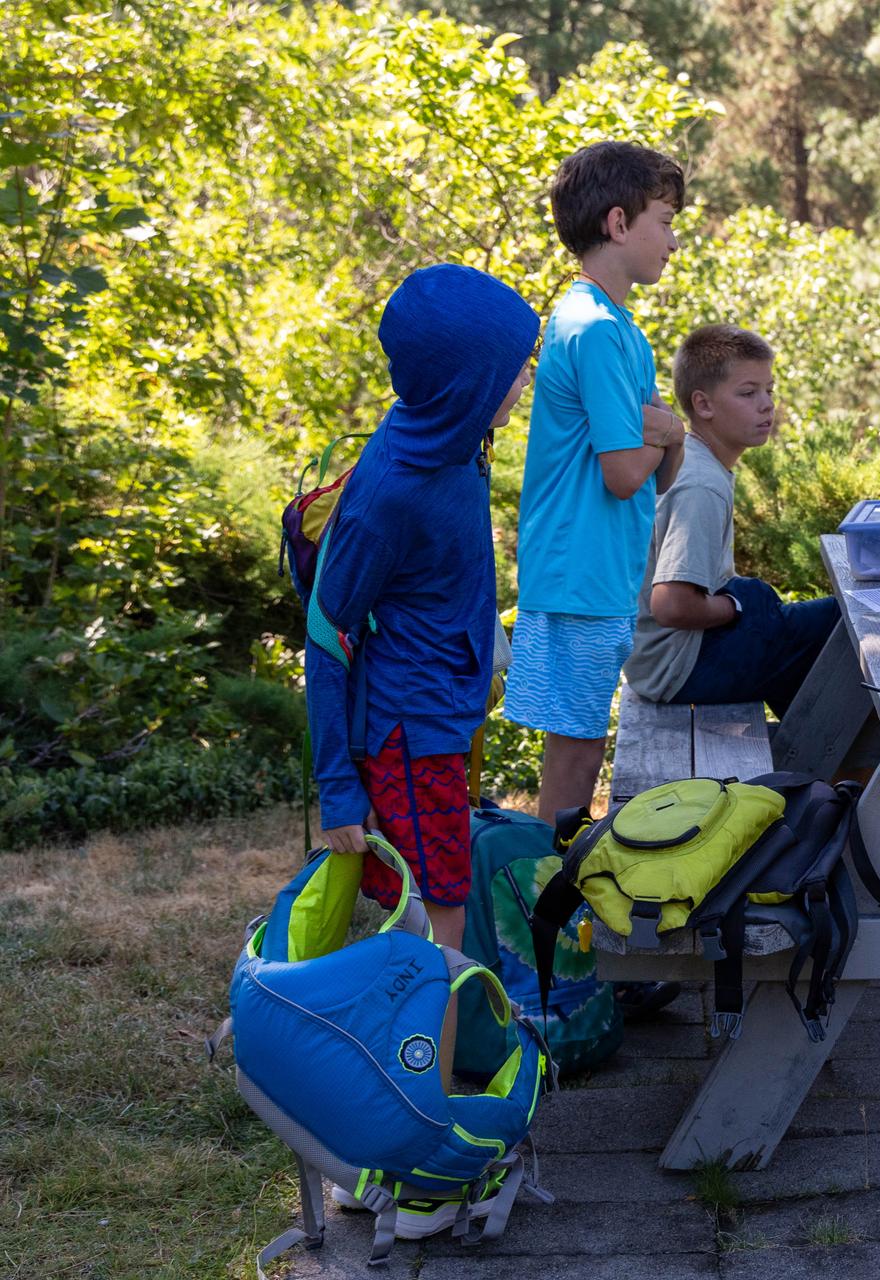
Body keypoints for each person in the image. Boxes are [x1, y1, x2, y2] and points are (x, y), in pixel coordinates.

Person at [306, 263, 539, 1090]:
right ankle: (422, 1119)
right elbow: (325, 639)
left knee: (433, 926)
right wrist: (339, 791)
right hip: (406, 738)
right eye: (515, 366)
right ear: (465, 378)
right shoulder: (390, 492)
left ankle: (413, 1092)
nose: (526, 378)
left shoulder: (456, 446)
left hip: (441, 721)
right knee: (435, 938)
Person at [505, 141, 687, 826]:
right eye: (664, 221)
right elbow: (623, 473)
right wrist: (667, 430)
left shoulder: (613, 326)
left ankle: (555, 895)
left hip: (598, 572)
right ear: (618, 222)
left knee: (584, 748)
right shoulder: (595, 330)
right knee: (576, 757)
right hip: (578, 573)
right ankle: (546, 907)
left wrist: (663, 434)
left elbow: (661, 473)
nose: (672, 242)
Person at [625, 325, 838, 717]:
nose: (767, 405)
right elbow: (671, 605)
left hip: (668, 662)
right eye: (748, 393)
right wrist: (738, 607)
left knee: (790, 619)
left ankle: (821, 758)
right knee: (838, 621)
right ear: (703, 405)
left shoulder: (696, 461)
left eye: (769, 390)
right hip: (679, 667)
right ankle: (841, 764)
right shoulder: (701, 485)